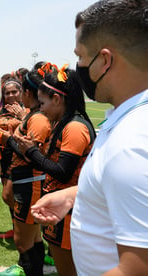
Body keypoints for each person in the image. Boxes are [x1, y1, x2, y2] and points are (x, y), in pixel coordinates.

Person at [31, 1, 148, 275]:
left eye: (81, 57)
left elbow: (136, 269)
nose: (79, 67)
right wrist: (76, 196)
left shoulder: (131, 142)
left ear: (105, 61)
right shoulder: (127, 120)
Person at [14, 67, 95, 276]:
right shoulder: (62, 122)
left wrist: (31, 152)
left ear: (57, 99)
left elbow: (63, 172)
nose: (41, 109)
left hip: (69, 212)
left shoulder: (75, 127)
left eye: (42, 103)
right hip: (61, 208)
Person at [0, 71, 51, 276]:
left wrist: (7, 139)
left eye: (17, 91)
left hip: (31, 182)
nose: (12, 96)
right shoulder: (33, 115)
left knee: (24, 242)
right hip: (26, 180)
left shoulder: (38, 119)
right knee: (31, 240)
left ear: (26, 92)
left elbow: (31, 155)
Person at [0, 77, 25, 241]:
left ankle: (28, 226)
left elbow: (34, 133)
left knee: (11, 196)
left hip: (21, 158)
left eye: (14, 92)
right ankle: (16, 229)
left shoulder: (28, 111)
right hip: (5, 158)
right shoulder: (1, 111)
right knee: (9, 198)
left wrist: (22, 117)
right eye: (7, 93)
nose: (11, 95)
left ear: (21, 93)